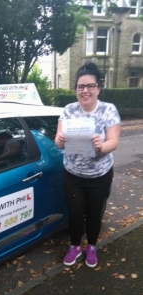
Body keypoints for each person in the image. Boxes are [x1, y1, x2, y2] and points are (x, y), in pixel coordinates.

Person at [55, 61, 121, 268]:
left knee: (94, 213)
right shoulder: (68, 110)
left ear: (98, 88)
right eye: (80, 86)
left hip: (99, 175)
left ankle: (91, 246)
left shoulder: (108, 110)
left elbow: (114, 141)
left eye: (90, 86)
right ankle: (75, 246)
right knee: (75, 213)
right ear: (76, 89)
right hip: (73, 174)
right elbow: (57, 140)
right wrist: (61, 140)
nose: (85, 90)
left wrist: (101, 146)